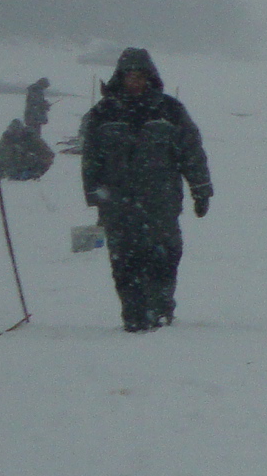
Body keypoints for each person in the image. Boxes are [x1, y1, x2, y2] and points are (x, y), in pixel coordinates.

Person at [79, 48, 212, 332]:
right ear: (120, 78)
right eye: (130, 76)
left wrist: (201, 190)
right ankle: (134, 315)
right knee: (124, 264)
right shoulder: (103, 113)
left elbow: (191, 153)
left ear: (150, 78)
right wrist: (94, 195)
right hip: (118, 206)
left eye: (140, 76)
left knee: (165, 259)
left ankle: (161, 311)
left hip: (161, 204)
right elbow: (91, 159)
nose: (135, 82)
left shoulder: (170, 110)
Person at [0, 117, 54, 181]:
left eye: (16, 131)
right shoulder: (7, 138)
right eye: (13, 131)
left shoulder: (31, 137)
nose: (15, 134)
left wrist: (38, 170)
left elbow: (47, 153)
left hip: (29, 169)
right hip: (11, 170)